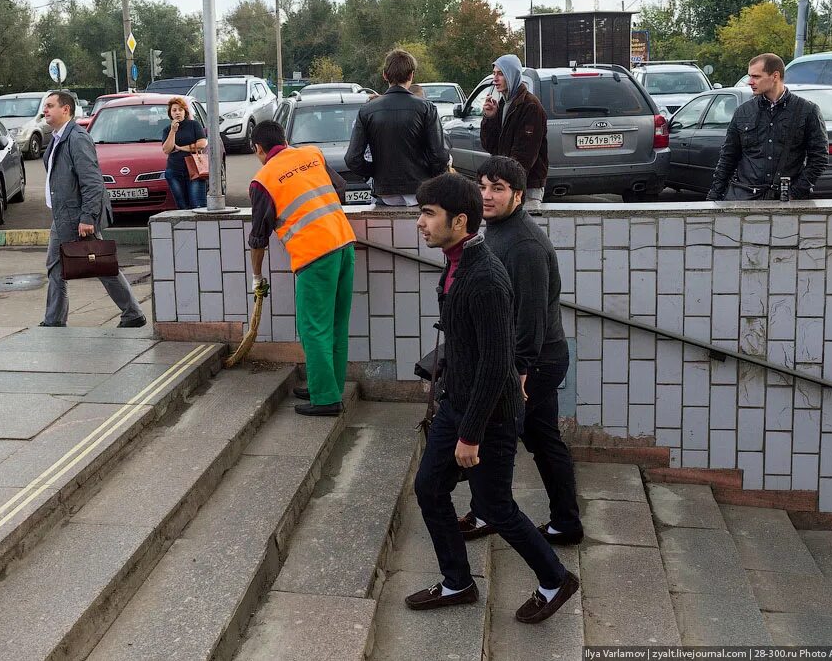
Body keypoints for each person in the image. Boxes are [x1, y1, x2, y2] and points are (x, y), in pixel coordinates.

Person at [407, 173, 578, 623]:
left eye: (428, 214)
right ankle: (457, 582)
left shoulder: (485, 279)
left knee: (497, 507)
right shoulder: (456, 261)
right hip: (458, 404)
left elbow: (496, 364)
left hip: (489, 416)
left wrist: (470, 434)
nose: (419, 223)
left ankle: (555, 578)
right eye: (420, 213)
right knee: (429, 487)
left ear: (459, 221)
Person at [459, 155, 583, 546]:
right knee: (543, 439)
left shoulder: (525, 244)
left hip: (534, 360)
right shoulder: (496, 229)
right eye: (482, 187)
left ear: (518, 195)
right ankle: (564, 522)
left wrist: (519, 373)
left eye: (497, 188)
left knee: (496, 436)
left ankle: (488, 512)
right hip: (528, 358)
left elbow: (530, 318)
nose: (487, 196)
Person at [248, 120, 355, 416]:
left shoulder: (263, 179)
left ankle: (326, 399)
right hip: (344, 244)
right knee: (336, 326)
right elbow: (341, 187)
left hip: (314, 256)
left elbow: (258, 238)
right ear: (284, 138)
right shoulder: (312, 154)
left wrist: (257, 277)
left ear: (258, 149)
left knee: (313, 329)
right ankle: (327, 384)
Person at [40, 91, 145, 328]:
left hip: (77, 215)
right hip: (64, 214)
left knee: (100, 265)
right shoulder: (58, 138)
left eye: (49, 106)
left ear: (65, 109)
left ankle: (132, 313)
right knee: (59, 266)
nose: (44, 110)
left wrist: (87, 217)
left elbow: (93, 182)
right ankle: (54, 320)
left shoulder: (76, 138)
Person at [707, 53, 827, 201]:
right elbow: (728, 157)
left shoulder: (807, 110)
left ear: (775, 76)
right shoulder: (743, 111)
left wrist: (795, 192)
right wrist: (714, 197)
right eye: (750, 76)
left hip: (786, 200)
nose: (750, 82)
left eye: (756, 77)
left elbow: (819, 158)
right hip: (744, 197)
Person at [345, 48, 448, 206]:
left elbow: (352, 158)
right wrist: (428, 175)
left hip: (384, 193)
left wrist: (375, 172)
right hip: (420, 191)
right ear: (411, 75)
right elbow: (440, 155)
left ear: (385, 75)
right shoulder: (426, 108)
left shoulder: (367, 110)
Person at [480, 54, 549, 205]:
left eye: (500, 74)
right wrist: (490, 118)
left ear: (512, 75)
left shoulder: (530, 106)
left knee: (526, 227)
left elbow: (524, 155)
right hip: (507, 183)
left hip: (527, 186)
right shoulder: (504, 103)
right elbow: (490, 146)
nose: (495, 79)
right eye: (494, 73)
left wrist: (507, 184)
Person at [161, 96, 209, 209]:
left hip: (194, 170)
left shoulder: (194, 125)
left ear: (185, 112)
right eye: (174, 110)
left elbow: (202, 144)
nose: (177, 113)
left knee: (197, 204)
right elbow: (167, 149)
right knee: (182, 206)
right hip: (174, 170)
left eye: (180, 110)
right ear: (170, 113)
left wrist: (182, 148)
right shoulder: (167, 130)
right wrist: (173, 131)